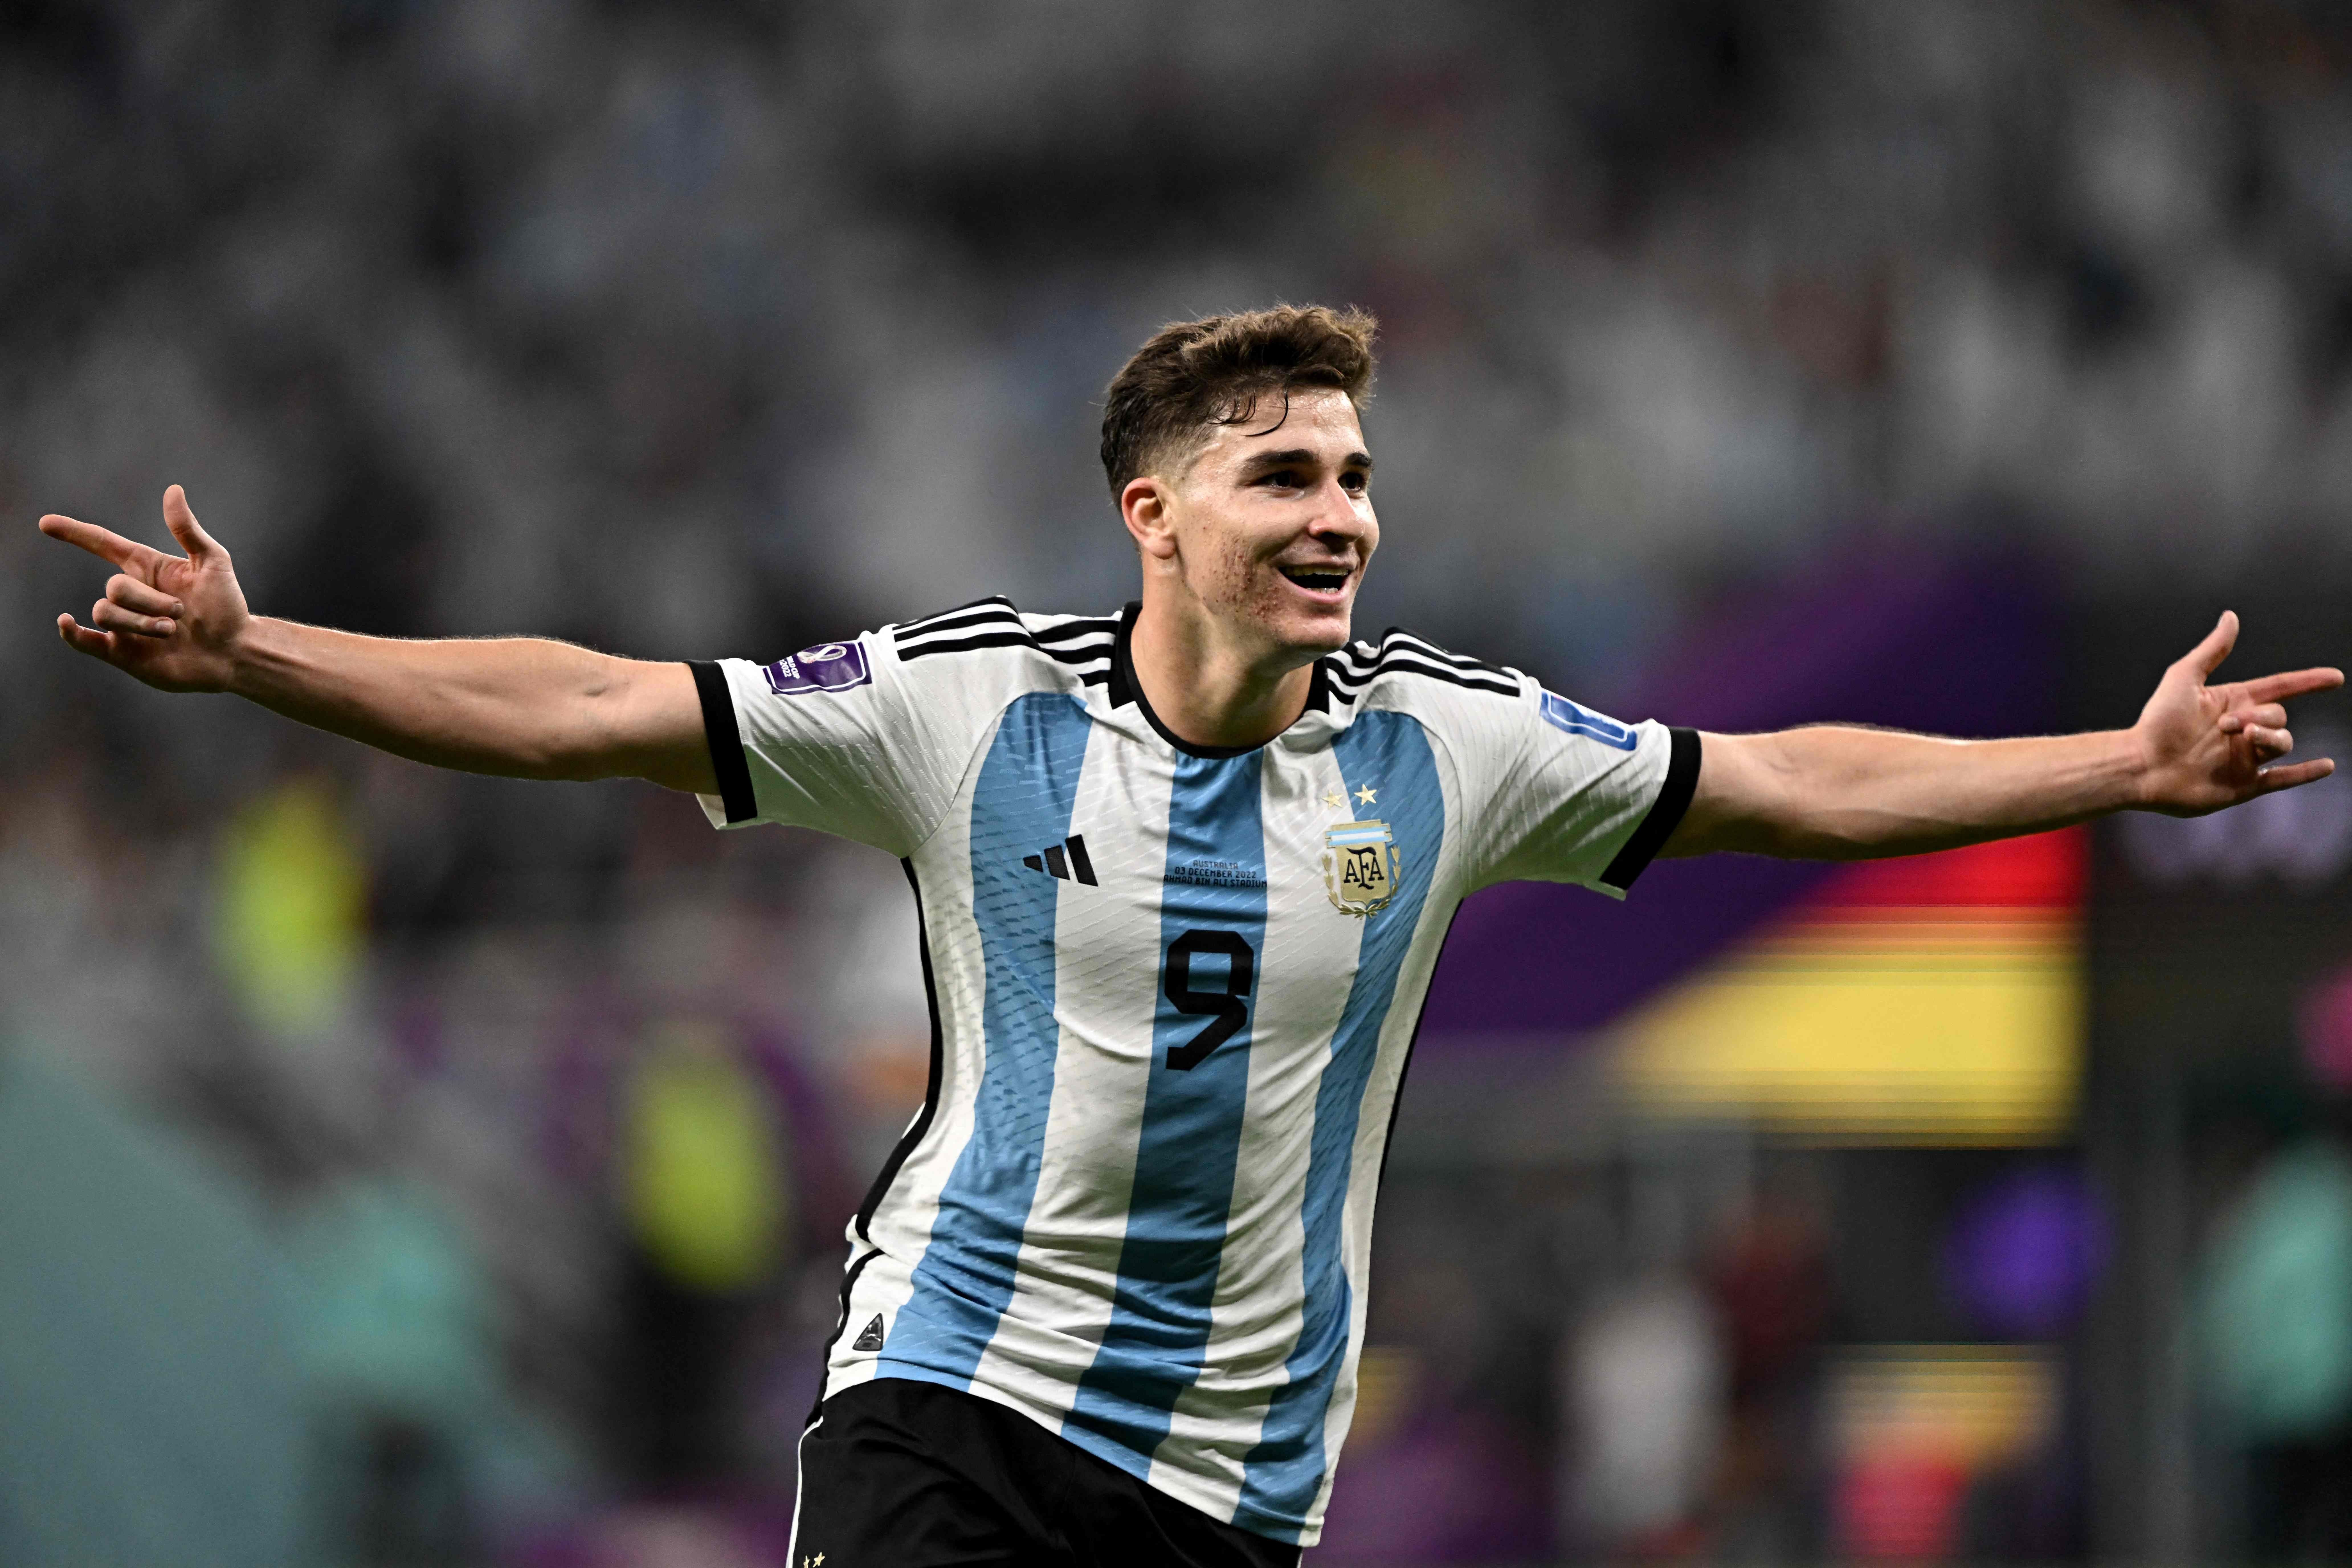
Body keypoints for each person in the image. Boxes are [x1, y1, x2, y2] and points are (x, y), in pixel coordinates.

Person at [37, 305, 2340, 1567]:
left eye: (1352, 471)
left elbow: (1788, 780)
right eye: (1286, 473)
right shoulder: (962, 708)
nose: (1344, 511)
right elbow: (588, 709)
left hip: (1233, 1481)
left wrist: (2111, 768)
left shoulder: (1454, 745)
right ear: (1154, 512)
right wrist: (273, 657)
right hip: (952, 1397)